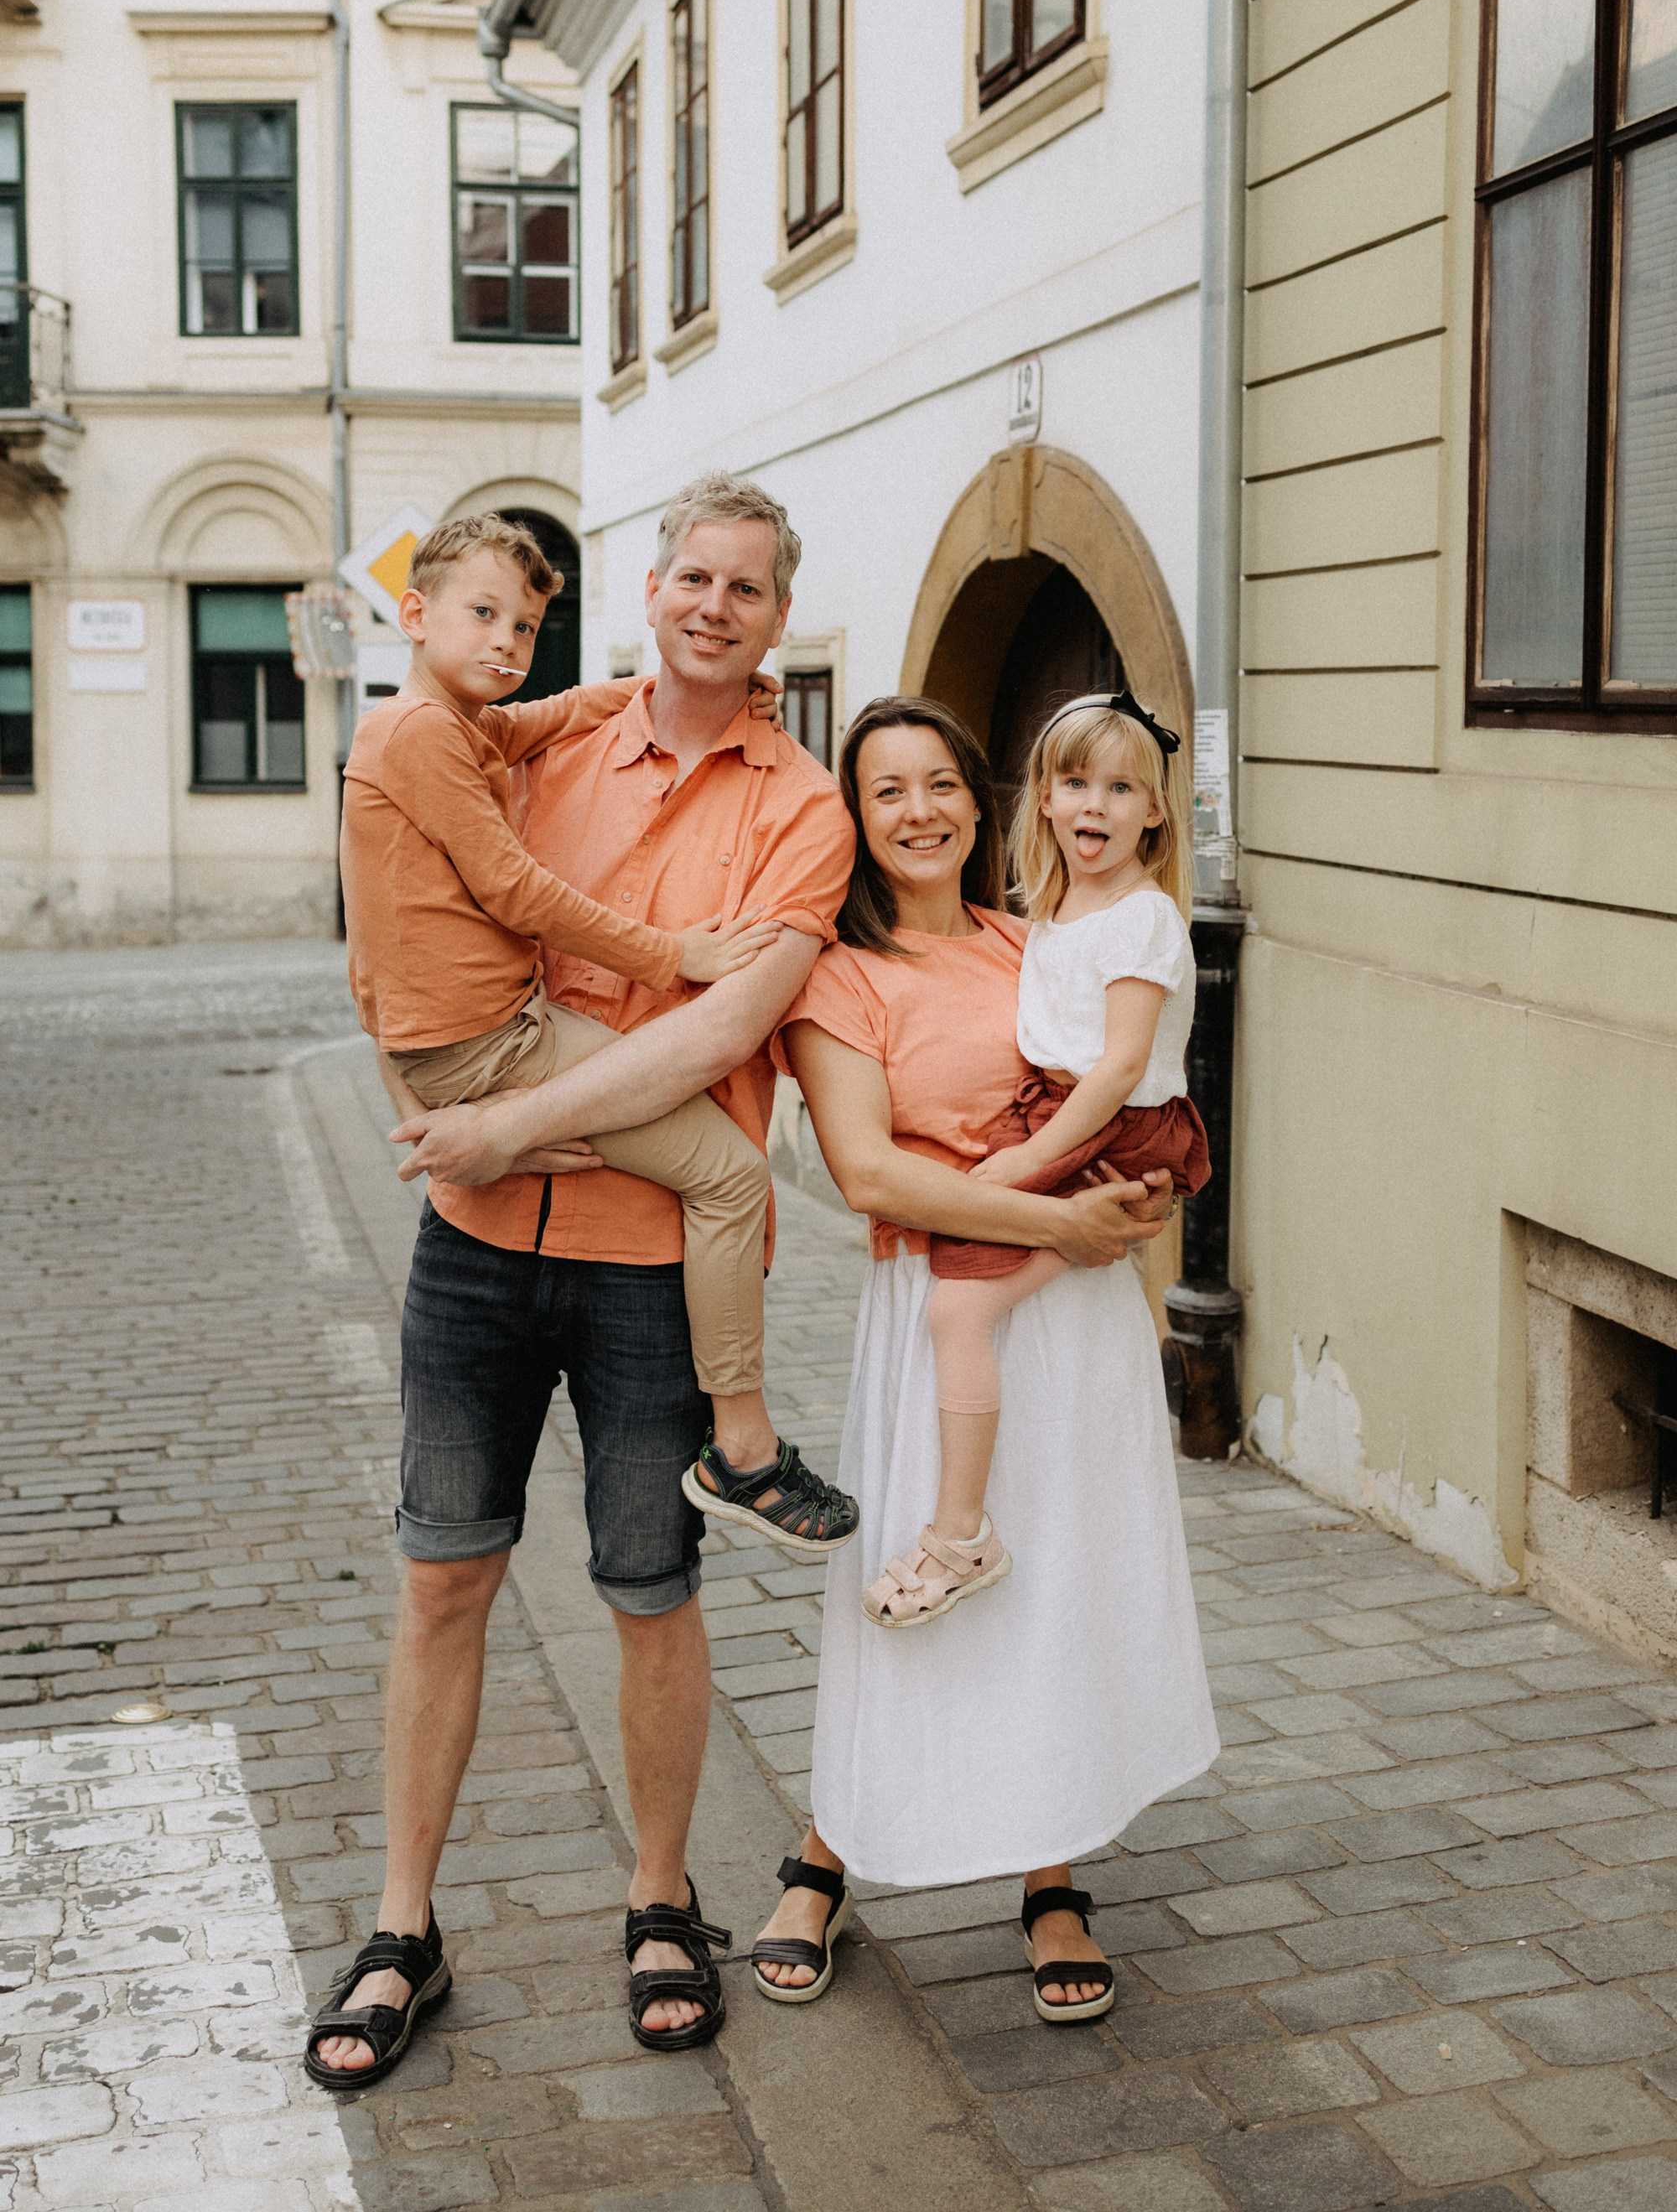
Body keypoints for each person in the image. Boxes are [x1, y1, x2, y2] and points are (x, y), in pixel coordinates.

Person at [304, 475, 857, 2090]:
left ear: (773, 617)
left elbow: (713, 1033)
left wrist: (492, 1124)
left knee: (650, 1594)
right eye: (691, 575)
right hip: (477, 1249)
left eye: (745, 589)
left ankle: (661, 1896)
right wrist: (412, 1093)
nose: (712, 605)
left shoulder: (803, 809)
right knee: (440, 1581)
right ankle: (404, 1925)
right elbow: (397, 912)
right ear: (655, 589)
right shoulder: (529, 737)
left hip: (641, 1272)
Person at [747, 698, 1218, 2026]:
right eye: (886, 789)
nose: (919, 811)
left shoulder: (1041, 934)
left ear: (976, 798)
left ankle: (1050, 1870)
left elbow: (1127, 1095)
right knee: (909, 1574)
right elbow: (868, 1171)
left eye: (942, 782)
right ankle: (829, 1847)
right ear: (856, 815)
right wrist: (1053, 1216)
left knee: (1052, 1577)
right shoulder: (840, 975)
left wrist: (1126, 1210)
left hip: (1070, 1312)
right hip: (939, 1300)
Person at [340, 509, 802, 1426]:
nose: (507, 643)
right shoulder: (421, 736)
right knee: (733, 1177)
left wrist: (697, 684)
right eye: (482, 615)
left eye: (523, 627)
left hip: (480, 1041)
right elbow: (516, 891)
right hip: (493, 1044)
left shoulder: (454, 725)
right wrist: (676, 954)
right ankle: (745, 1441)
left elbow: (546, 716)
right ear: (413, 614)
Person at [863, 689, 1212, 1628]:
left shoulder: (1139, 919)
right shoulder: (1050, 916)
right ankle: (963, 1525)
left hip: (1107, 1125)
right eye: (1072, 783)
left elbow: (1121, 1068)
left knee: (961, 1307)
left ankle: (959, 1534)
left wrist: (1021, 1166)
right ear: (1041, 802)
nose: (1093, 805)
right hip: (1067, 1117)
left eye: (1119, 787)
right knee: (960, 1308)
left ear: (1155, 811)